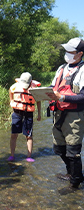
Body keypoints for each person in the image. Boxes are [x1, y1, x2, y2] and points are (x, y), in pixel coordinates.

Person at [46, 37, 84, 193]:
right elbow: (53, 86)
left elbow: (83, 96)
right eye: (66, 50)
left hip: (74, 116)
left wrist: (61, 97)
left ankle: (75, 183)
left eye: (71, 51)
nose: (67, 53)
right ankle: (72, 173)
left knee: (73, 151)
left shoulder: (82, 70)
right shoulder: (61, 68)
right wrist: (40, 91)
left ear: (80, 53)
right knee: (59, 148)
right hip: (58, 113)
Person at [7, 72, 41, 162]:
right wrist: (11, 101)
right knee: (14, 134)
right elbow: (10, 91)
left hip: (28, 114)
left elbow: (38, 101)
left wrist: (39, 114)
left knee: (29, 136)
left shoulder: (35, 89)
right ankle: (12, 155)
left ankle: (29, 156)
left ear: (30, 82)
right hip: (17, 112)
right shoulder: (15, 86)